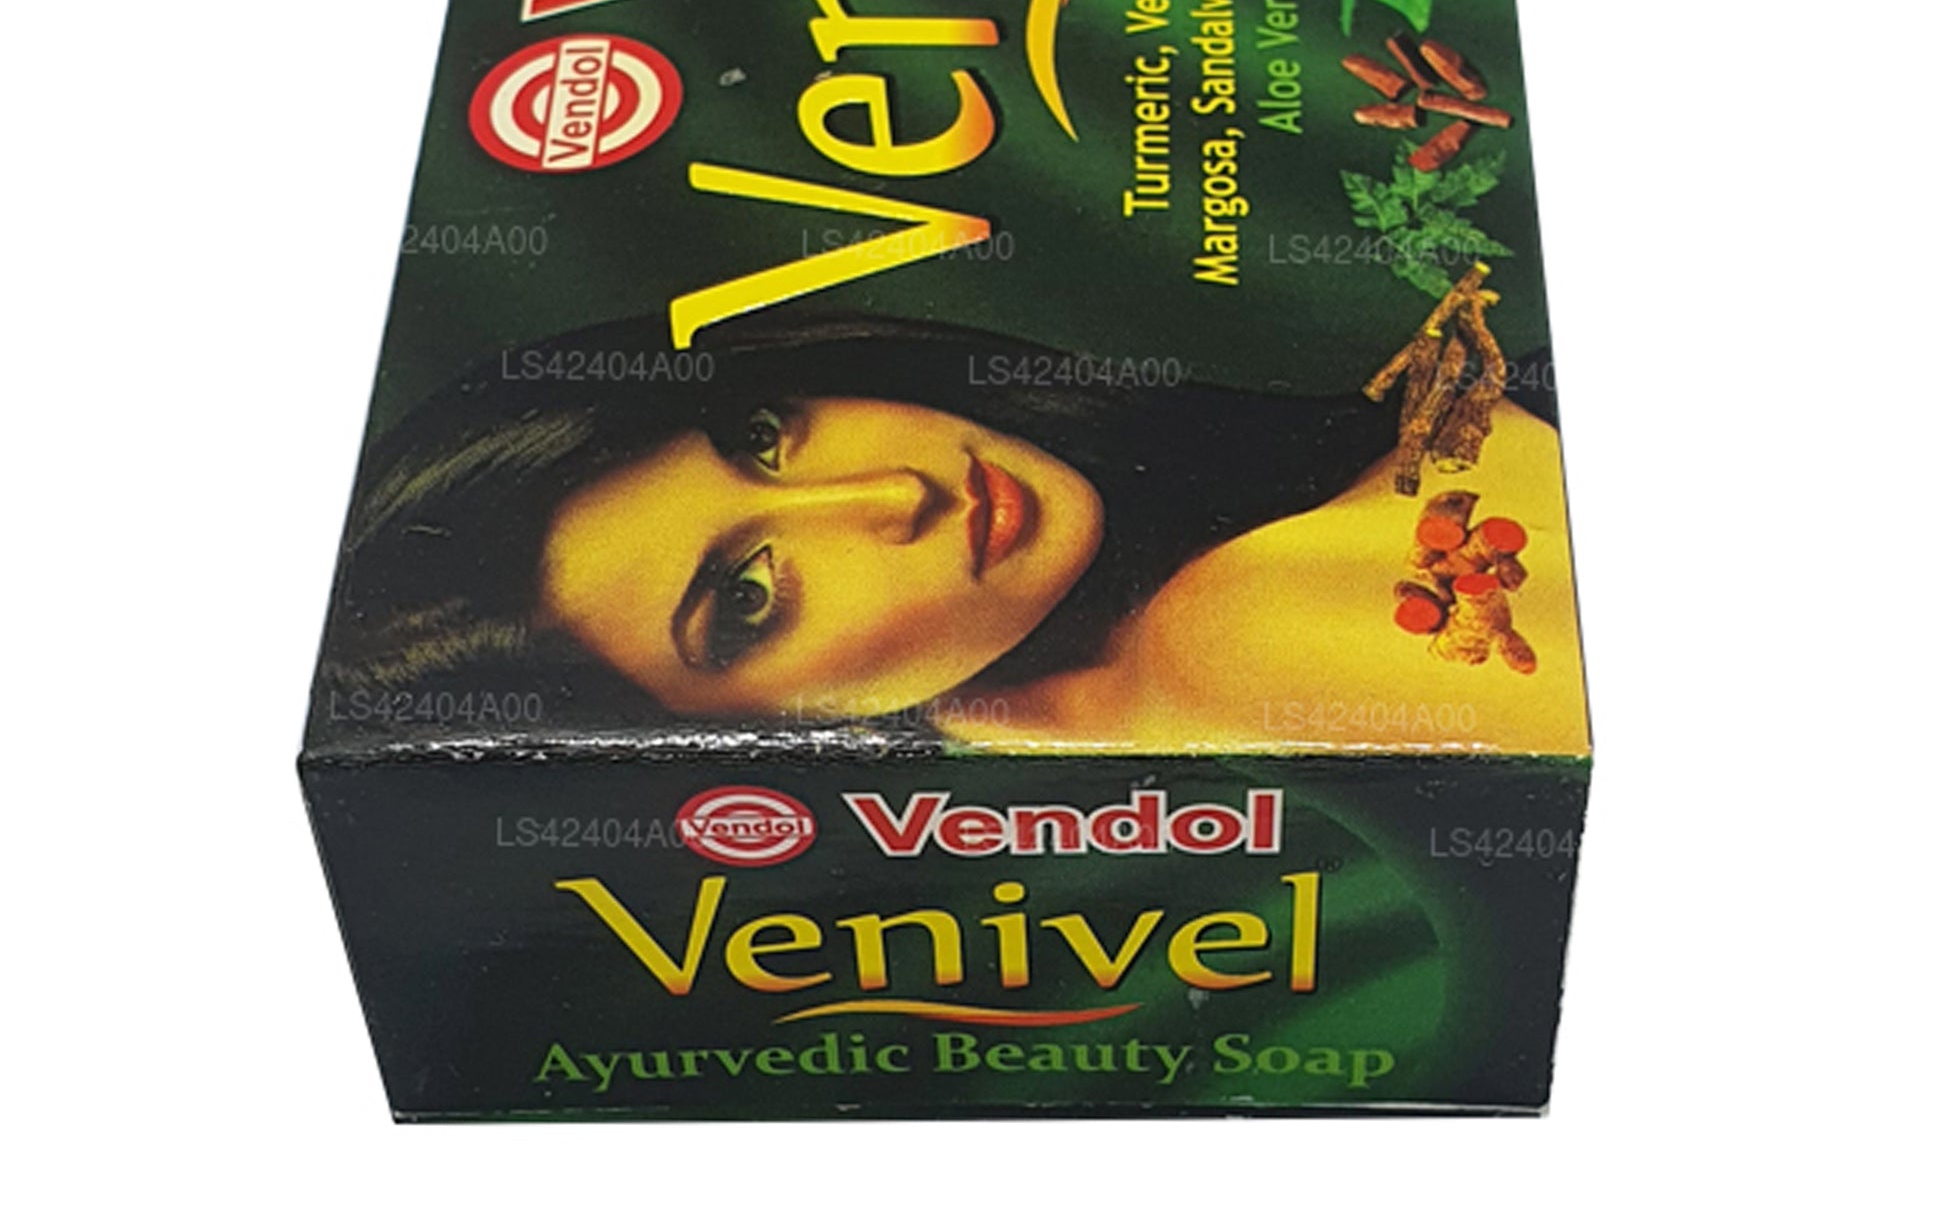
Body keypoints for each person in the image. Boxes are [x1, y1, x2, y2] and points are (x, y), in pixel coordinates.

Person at [321, 312, 1588, 754]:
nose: (887, 495)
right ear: (743, 732)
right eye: (748, 598)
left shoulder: (1231, 510)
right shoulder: (1232, 632)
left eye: (762, 434)